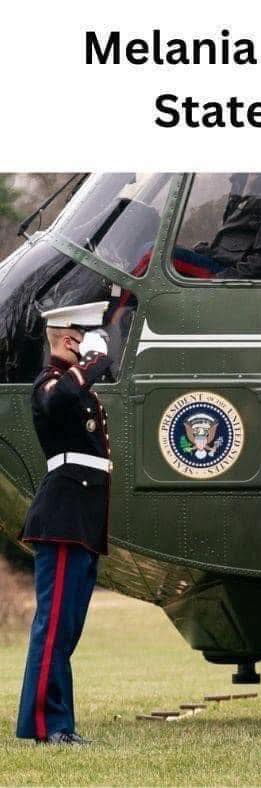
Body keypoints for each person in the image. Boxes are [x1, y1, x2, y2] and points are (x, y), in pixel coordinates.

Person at [15, 301, 113, 745]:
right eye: (87, 337)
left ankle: (60, 724)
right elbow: (60, 399)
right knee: (53, 627)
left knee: (66, 629)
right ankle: (45, 726)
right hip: (61, 519)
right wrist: (91, 364)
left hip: (81, 521)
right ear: (71, 339)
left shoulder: (73, 386)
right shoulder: (49, 383)